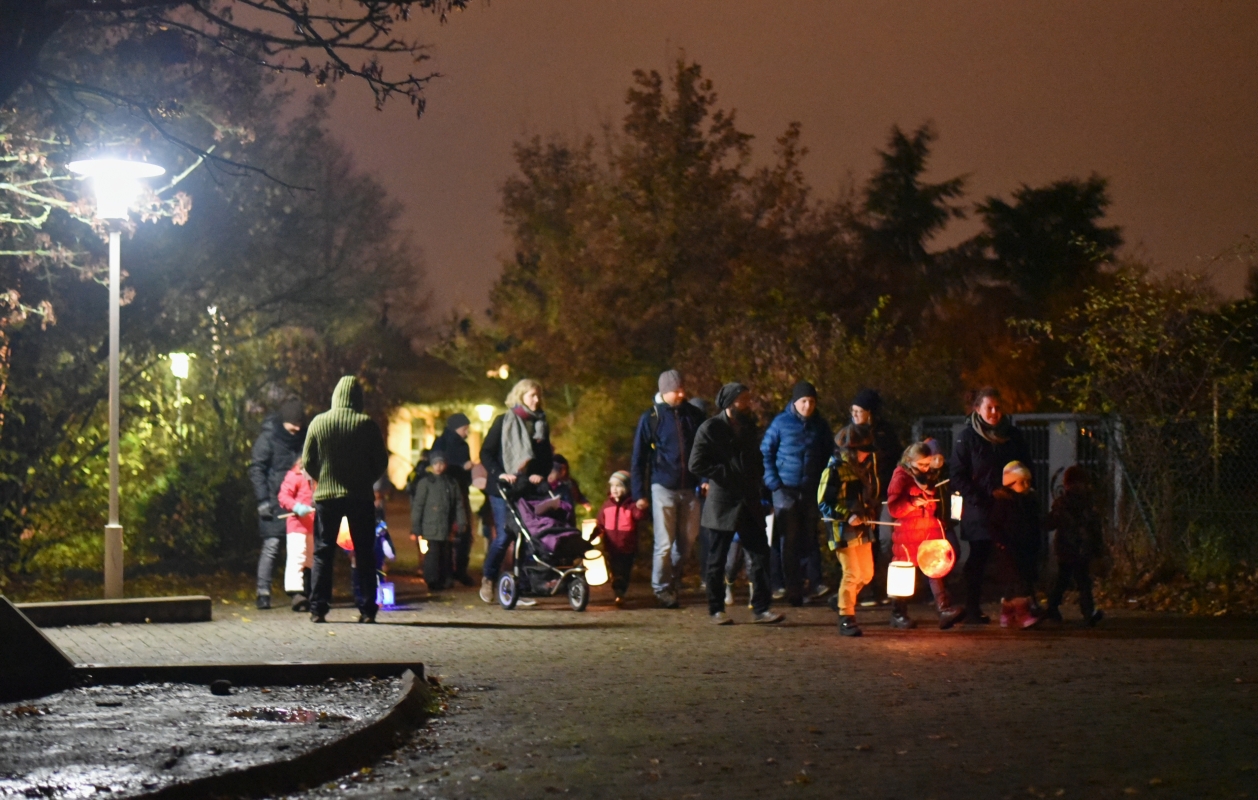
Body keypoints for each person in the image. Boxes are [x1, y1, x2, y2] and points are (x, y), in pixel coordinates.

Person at [689, 382, 784, 626]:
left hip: (749, 501)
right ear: (731, 402)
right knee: (717, 559)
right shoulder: (711, 428)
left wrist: (757, 476)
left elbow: (756, 457)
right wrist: (726, 474)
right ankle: (716, 609)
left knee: (760, 555)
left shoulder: (748, 426)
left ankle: (762, 608)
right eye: (744, 399)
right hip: (723, 502)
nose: (748, 403)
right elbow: (696, 463)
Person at [303, 376, 390, 624]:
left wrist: (324, 477)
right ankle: (367, 609)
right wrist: (365, 479)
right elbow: (381, 461)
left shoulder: (318, 423)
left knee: (323, 552)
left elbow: (308, 461)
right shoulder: (367, 425)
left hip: (327, 498)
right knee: (364, 552)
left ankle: (318, 608)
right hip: (360, 497)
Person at [949, 386, 1031, 625]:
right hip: (980, 510)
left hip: (1008, 507)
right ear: (978, 409)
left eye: (998, 407)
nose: (994, 412)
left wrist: (1019, 491)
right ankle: (973, 608)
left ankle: (1012, 607)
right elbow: (957, 475)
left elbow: (1025, 466)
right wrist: (984, 497)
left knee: (1011, 558)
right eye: (989, 408)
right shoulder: (967, 438)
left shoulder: (1012, 436)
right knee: (979, 558)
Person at [631, 370, 707, 608]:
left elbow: (704, 449)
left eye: (682, 389)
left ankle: (671, 578)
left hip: (690, 487)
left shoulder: (693, 415)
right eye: (676, 390)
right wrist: (638, 493)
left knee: (687, 540)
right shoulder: (651, 418)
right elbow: (639, 457)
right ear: (664, 391)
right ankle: (661, 587)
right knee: (664, 542)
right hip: (663, 485)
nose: (681, 394)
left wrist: (704, 478)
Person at [478, 378, 553, 606]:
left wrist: (540, 473)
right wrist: (500, 473)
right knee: (505, 535)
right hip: (503, 487)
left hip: (526, 487)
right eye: (532, 395)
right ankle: (489, 578)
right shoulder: (504, 421)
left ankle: (521, 587)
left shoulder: (540, 424)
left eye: (538, 395)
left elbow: (546, 458)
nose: (536, 400)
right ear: (521, 396)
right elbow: (486, 452)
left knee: (528, 535)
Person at [761, 380, 834, 606]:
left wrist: (825, 483)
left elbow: (828, 455)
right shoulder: (781, 423)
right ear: (795, 402)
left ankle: (812, 583)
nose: (807, 406)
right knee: (788, 538)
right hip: (785, 489)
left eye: (811, 401)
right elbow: (765, 452)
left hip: (810, 489)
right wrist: (773, 482)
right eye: (803, 401)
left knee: (809, 536)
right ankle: (790, 587)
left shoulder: (820, 426)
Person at [886, 443, 964, 629]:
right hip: (907, 533)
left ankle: (943, 609)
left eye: (928, 464)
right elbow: (893, 508)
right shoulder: (900, 477)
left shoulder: (928, 476)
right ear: (909, 461)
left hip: (928, 529)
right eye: (921, 464)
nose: (925, 468)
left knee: (934, 569)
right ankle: (898, 613)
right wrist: (912, 503)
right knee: (904, 571)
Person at [819, 424, 880, 637]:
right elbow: (824, 502)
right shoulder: (834, 470)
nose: (867, 454)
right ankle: (846, 617)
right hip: (841, 529)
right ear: (851, 450)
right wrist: (847, 515)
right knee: (852, 573)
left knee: (867, 574)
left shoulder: (863, 470)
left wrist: (869, 512)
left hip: (862, 528)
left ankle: (841, 599)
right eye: (864, 450)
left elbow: (866, 498)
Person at [248, 398, 305, 610]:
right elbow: (257, 469)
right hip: (273, 501)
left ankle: (298, 591)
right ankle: (263, 592)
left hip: (299, 503)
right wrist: (262, 500)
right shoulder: (268, 438)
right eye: (293, 424)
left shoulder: (304, 438)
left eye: (299, 423)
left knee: (298, 548)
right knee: (271, 545)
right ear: (283, 421)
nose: (297, 428)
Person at [850, 389, 901, 608]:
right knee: (866, 542)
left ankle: (888, 587)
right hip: (864, 497)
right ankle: (868, 589)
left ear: (870, 412)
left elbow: (897, 458)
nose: (854, 415)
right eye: (852, 410)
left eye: (859, 411)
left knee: (886, 541)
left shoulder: (885, 433)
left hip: (886, 495)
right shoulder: (851, 434)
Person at [1045, 465, 1106, 626]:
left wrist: (1098, 549)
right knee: (1066, 580)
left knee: (1082, 581)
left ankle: (1087, 612)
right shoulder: (1064, 504)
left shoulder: (1086, 504)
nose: (1076, 487)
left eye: (1079, 483)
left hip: (1080, 548)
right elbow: (1051, 522)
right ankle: (1054, 608)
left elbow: (1095, 528)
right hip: (1067, 547)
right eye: (1072, 483)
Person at [990, 461, 1042, 629]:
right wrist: (1001, 543)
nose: (1027, 485)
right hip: (1009, 549)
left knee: (1014, 584)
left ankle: (1007, 613)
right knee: (1019, 583)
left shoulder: (1029, 501)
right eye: (1022, 482)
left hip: (1025, 547)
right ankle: (1022, 613)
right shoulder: (1003, 502)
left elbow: (1035, 523)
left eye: (1028, 481)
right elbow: (994, 525)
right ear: (1011, 483)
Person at [410, 451, 467, 592]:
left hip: (446, 526)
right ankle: (432, 579)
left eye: (441, 463)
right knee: (433, 554)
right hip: (430, 526)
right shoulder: (426, 483)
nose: (439, 466)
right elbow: (418, 506)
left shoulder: (451, 483)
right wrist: (416, 527)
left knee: (446, 553)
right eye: (436, 463)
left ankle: (445, 578)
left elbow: (458, 504)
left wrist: (461, 522)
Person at [595, 470, 644, 606]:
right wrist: (593, 535)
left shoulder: (631, 506)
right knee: (615, 570)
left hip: (627, 547)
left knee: (625, 570)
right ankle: (618, 592)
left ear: (627, 488)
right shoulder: (607, 506)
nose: (615, 489)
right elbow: (600, 524)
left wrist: (641, 508)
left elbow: (639, 516)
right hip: (611, 546)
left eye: (619, 486)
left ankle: (621, 591)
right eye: (613, 486)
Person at [276, 458, 316, 612]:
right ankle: (297, 595)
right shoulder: (295, 476)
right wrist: (296, 506)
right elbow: (283, 497)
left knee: (310, 560)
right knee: (297, 558)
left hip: (313, 526)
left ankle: (309, 593)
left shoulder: (317, 478)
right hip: (297, 525)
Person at [548, 454, 590, 520]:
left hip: (567, 516)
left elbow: (577, 495)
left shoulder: (569, 483)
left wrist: (584, 502)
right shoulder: (548, 484)